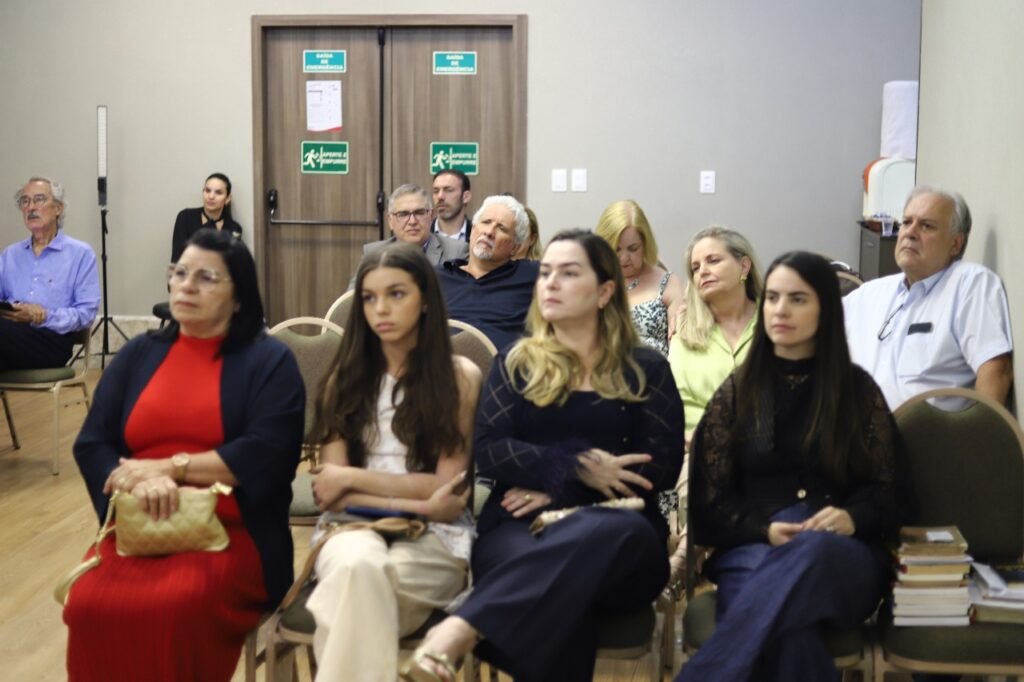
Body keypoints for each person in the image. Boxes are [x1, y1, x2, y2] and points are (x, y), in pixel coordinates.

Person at [402, 230, 684, 682]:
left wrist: (557, 487)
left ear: (604, 292)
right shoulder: (517, 361)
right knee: (562, 596)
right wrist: (576, 468)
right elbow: (490, 451)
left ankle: (465, 623)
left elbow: (661, 468)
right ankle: (474, 623)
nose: (549, 282)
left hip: (620, 531)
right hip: (520, 525)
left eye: (568, 273)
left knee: (598, 545)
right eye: (546, 272)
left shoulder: (645, 367)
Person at [66, 229, 305, 681]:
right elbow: (93, 443)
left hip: (231, 535)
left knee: (175, 607)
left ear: (239, 296)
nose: (186, 286)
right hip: (140, 527)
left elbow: (267, 452)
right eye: (179, 273)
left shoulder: (270, 361)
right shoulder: (139, 354)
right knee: (88, 604)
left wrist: (170, 469)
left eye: (206, 278)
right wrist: (139, 481)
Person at [677, 251, 909, 682]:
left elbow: (893, 492)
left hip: (839, 557)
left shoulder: (858, 392)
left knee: (810, 550)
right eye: (772, 298)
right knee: (791, 637)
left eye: (798, 299)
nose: (780, 310)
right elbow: (709, 505)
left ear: (826, 309)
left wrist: (852, 517)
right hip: (753, 549)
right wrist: (763, 530)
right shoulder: (737, 393)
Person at [306, 242, 482, 681]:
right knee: (358, 567)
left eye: (396, 294)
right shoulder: (342, 382)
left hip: (437, 539)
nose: (380, 309)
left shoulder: (459, 377)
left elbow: (448, 491)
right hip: (349, 529)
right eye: (369, 298)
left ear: (425, 300)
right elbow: (332, 495)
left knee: (352, 594)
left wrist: (352, 478)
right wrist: (421, 502)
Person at [843, 186, 1013, 409]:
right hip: (855, 425)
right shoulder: (870, 293)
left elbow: (996, 370)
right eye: (906, 222)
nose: (910, 233)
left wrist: (981, 430)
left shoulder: (969, 284)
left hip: (921, 430)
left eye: (926, 226)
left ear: (955, 244)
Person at [670, 226, 763, 438]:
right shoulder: (684, 332)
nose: (702, 271)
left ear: (744, 266)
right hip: (700, 446)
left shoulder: (773, 322)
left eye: (713, 261)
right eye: (695, 268)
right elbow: (678, 401)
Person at [1, 176, 99, 370]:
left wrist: (43, 316)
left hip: (51, 341)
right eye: (25, 201)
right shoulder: (10, 254)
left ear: (58, 208)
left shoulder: (80, 254)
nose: (31, 207)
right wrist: (14, 310)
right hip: (9, 333)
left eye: (39, 199)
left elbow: (86, 314)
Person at [436, 195, 540, 350]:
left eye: (502, 228)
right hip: (442, 359)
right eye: (486, 222)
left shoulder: (530, 275)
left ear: (515, 247)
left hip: (502, 362)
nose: (489, 232)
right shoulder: (438, 276)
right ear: (472, 230)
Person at [595, 199, 684, 355]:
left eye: (633, 249)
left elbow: (680, 350)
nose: (624, 258)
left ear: (645, 244)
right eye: (616, 249)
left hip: (656, 368)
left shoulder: (668, 283)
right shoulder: (592, 282)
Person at [361, 184, 468, 266]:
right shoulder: (373, 254)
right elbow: (356, 289)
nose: (412, 221)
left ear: (431, 216)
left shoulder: (457, 252)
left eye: (419, 213)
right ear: (390, 221)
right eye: (403, 214)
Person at [170, 173, 242, 263]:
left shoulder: (234, 228)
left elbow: (232, 264)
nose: (211, 196)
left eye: (218, 193)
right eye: (207, 191)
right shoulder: (185, 217)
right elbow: (177, 259)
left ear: (227, 198)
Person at [431, 170, 472, 242]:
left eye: (448, 190)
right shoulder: (423, 235)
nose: (440, 196)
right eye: (436, 191)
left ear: (466, 197)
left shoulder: (478, 235)